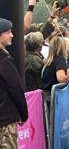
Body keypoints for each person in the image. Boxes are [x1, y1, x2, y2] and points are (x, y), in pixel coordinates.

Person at [0, 18, 28, 147]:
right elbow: (16, 89)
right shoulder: (4, 61)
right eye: (8, 32)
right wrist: (23, 114)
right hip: (5, 120)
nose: (12, 35)